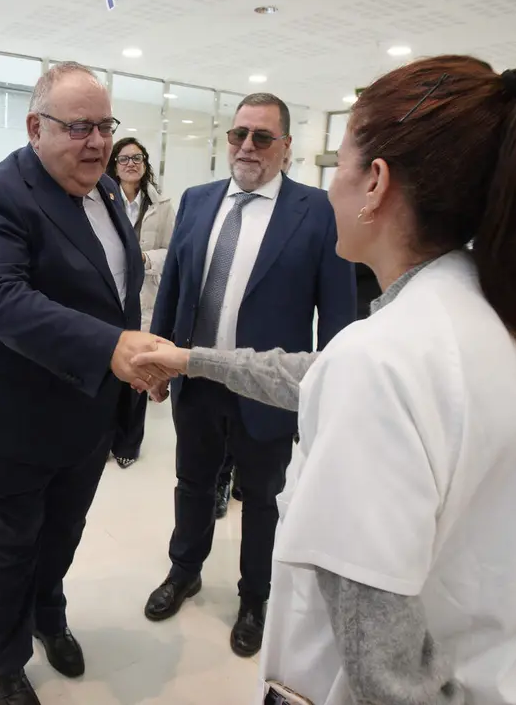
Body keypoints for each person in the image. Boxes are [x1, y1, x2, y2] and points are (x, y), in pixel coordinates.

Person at [133, 55, 516, 705]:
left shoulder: (383, 361)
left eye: (339, 165)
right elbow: (326, 372)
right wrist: (190, 360)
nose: (330, 190)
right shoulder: (488, 317)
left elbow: (388, 678)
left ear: (374, 182)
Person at [0, 61, 165, 705]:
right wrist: (112, 347)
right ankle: (6, 660)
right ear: (35, 126)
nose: (97, 142)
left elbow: (117, 296)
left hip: (85, 417)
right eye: (79, 127)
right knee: (7, 551)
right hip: (7, 423)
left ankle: (50, 618)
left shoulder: (103, 195)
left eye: (104, 126)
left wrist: (136, 367)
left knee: (61, 536)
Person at [143, 92, 355, 658]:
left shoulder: (317, 212)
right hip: (197, 380)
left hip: (266, 390)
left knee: (261, 498)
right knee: (192, 485)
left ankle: (255, 598)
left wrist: (324, 398)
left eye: (262, 137)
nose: (247, 147)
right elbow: (175, 291)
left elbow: (337, 317)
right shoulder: (196, 201)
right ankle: (183, 572)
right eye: (239, 134)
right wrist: (157, 361)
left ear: (286, 147)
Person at [104, 137, 175, 468]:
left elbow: (173, 251)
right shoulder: (101, 199)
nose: (130, 164)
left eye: (137, 158)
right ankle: (104, 438)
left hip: (145, 294)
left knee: (137, 370)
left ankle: (128, 444)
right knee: (106, 369)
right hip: (108, 293)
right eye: (123, 159)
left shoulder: (163, 206)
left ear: (146, 165)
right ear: (114, 164)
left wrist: (145, 259)